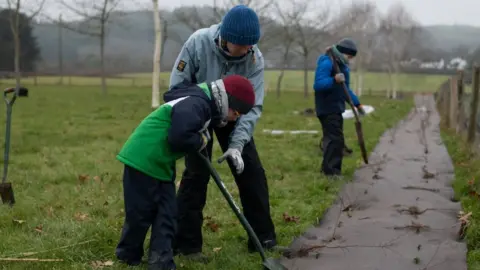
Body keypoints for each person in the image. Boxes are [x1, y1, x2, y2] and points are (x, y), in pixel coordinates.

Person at [168, 4, 278, 262]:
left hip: (235, 114)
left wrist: (237, 145)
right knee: (196, 175)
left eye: (250, 45)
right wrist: (195, 123)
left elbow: (253, 107)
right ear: (225, 38)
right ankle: (187, 245)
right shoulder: (198, 43)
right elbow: (177, 86)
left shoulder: (254, 58)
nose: (246, 50)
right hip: (199, 112)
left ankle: (263, 239)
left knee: (251, 171)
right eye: (241, 45)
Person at [114, 75, 256, 270]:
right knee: (141, 213)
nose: (235, 118)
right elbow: (178, 137)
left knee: (168, 214)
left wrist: (203, 134)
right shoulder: (196, 103)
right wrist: (201, 141)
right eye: (237, 112)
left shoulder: (203, 105)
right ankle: (128, 256)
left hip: (161, 164)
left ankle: (161, 262)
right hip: (142, 159)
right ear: (226, 101)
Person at [313, 38, 366, 177]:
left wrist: (357, 104)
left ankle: (328, 169)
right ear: (343, 53)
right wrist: (334, 80)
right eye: (349, 57)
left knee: (335, 140)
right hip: (326, 108)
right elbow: (318, 85)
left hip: (336, 108)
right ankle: (331, 173)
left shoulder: (342, 66)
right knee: (334, 140)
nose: (350, 60)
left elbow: (345, 90)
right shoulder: (327, 62)